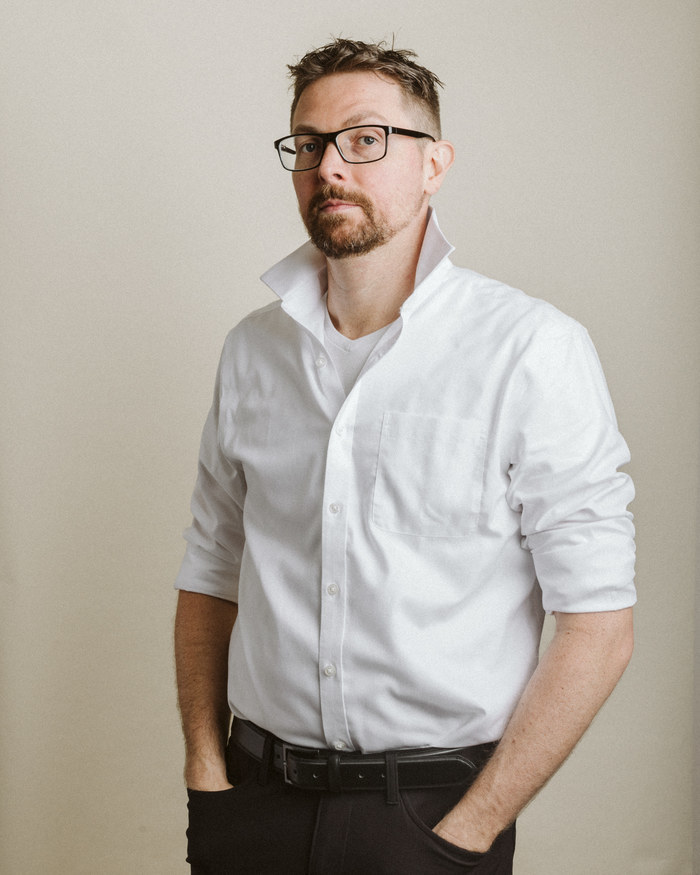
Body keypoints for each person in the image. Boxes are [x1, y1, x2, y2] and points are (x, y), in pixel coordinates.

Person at [174, 38, 636, 874]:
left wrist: (469, 830)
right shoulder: (251, 350)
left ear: (434, 165)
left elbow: (598, 623)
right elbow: (211, 567)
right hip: (253, 805)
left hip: (430, 818)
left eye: (365, 139)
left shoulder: (531, 350)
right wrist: (206, 772)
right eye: (309, 143)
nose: (330, 166)